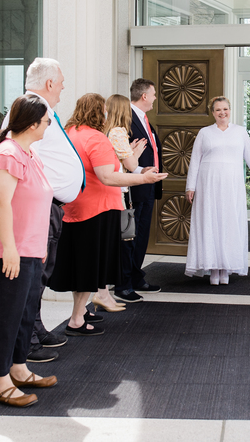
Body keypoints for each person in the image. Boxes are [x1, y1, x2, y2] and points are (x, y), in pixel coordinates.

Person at [47, 93, 166, 335]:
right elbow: (107, 176)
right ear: (97, 112)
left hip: (75, 207)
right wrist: (144, 177)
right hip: (98, 208)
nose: (106, 115)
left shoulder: (70, 133)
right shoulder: (96, 138)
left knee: (81, 264)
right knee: (91, 267)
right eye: (103, 110)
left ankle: (82, 311)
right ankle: (77, 319)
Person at [3, 57, 86, 363]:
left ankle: (35, 328)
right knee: (34, 275)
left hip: (49, 205)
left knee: (41, 272)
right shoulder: (30, 111)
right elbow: (22, 155)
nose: (63, 89)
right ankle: (26, 341)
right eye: (61, 83)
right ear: (49, 83)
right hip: (39, 207)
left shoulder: (42, 109)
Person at [0, 94, 57, 407]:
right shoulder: (7, 154)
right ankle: (0, 382)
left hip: (31, 250)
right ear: (33, 123)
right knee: (4, 317)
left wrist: (38, 247)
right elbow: (0, 203)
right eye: (47, 121)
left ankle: (19, 368)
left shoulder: (28, 152)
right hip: (8, 253)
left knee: (24, 315)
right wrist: (10, 249)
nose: (49, 125)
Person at [185, 96, 250, 285]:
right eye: (218, 110)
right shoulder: (204, 133)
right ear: (212, 113)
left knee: (229, 223)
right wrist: (191, 186)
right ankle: (213, 267)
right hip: (208, 184)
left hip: (231, 185)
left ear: (230, 110)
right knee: (211, 222)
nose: (222, 113)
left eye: (225, 109)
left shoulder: (240, 132)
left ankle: (226, 267)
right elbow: (195, 160)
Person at [114, 78, 164, 303]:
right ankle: (122, 283)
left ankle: (135, 275)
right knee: (129, 234)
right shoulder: (126, 118)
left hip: (148, 183)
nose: (155, 98)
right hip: (133, 186)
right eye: (153, 94)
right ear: (144, 96)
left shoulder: (144, 119)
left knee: (141, 233)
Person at [98, 93, 148, 311]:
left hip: (109, 192)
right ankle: (123, 286)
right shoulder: (118, 132)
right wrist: (135, 152)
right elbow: (129, 163)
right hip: (120, 193)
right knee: (127, 238)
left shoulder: (103, 131)